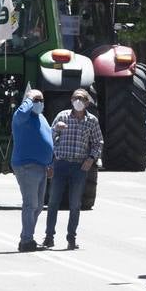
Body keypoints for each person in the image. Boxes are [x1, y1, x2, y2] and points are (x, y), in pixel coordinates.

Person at [44, 88, 103, 250]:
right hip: (61, 164)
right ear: (71, 100)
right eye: (75, 98)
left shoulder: (92, 121)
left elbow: (98, 142)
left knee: (75, 204)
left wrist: (91, 159)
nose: (78, 101)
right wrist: (56, 131)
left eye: (82, 98)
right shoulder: (62, 116)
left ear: (87, 102)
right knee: (53, 202)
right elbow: (49, 137)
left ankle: (71, 238)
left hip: (79, 167)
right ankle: (49, 236)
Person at [11, 88, 53, 252]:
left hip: (42, 166)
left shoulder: (41, 118)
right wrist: (29, 98)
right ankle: (26, 240)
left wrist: (50, 163)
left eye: (41, 100)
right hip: (26, 165)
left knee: (38, 205)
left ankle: (28, 237)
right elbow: (21, 112)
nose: (39, 103)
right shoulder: (21, 117)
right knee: (31, 204)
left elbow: (48, 140)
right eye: (36, 100)